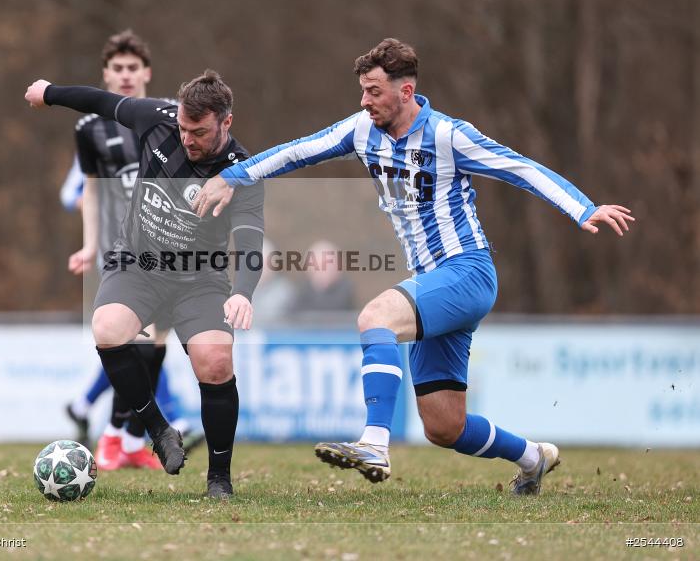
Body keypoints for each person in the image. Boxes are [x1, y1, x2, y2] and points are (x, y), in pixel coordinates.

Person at [192, 38, 634, 495]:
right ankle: (532, 457)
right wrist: (232, 175)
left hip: (467, 271)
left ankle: (374, 444)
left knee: (375, 316)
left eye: (374, 91)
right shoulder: (361, 130)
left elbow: (519, 168)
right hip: (432, 283)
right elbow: (298, 151)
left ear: (406, 92)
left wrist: (582, 208)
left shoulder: (449, 135)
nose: (365, 101)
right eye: (362, 90)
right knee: (444, 425)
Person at [26, 69, 264, 499]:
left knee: (215, 362)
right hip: (138, 265)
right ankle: (158, 431)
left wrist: (243, 292)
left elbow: (250, 242)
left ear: (226, 123)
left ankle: (219, 479)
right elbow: (98, 101)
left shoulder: (240, 172)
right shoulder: (158, 118)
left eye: (201, 132)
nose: (188, 139)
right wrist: (50, 93)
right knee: (107, 329)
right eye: (184, 129)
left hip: (200, 281)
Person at [58, 31, 202, 469]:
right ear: (106, 74)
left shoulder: (167, 119)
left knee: (153, 345)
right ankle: (114, 438)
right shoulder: (89, 127)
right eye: (116, 68)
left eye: (131, 68)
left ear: (146, 73)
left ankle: (131, 440)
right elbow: (91, 193)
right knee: (128, 341)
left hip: (167, 247)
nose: (124, 75)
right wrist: (88, 246)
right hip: (121, 252)